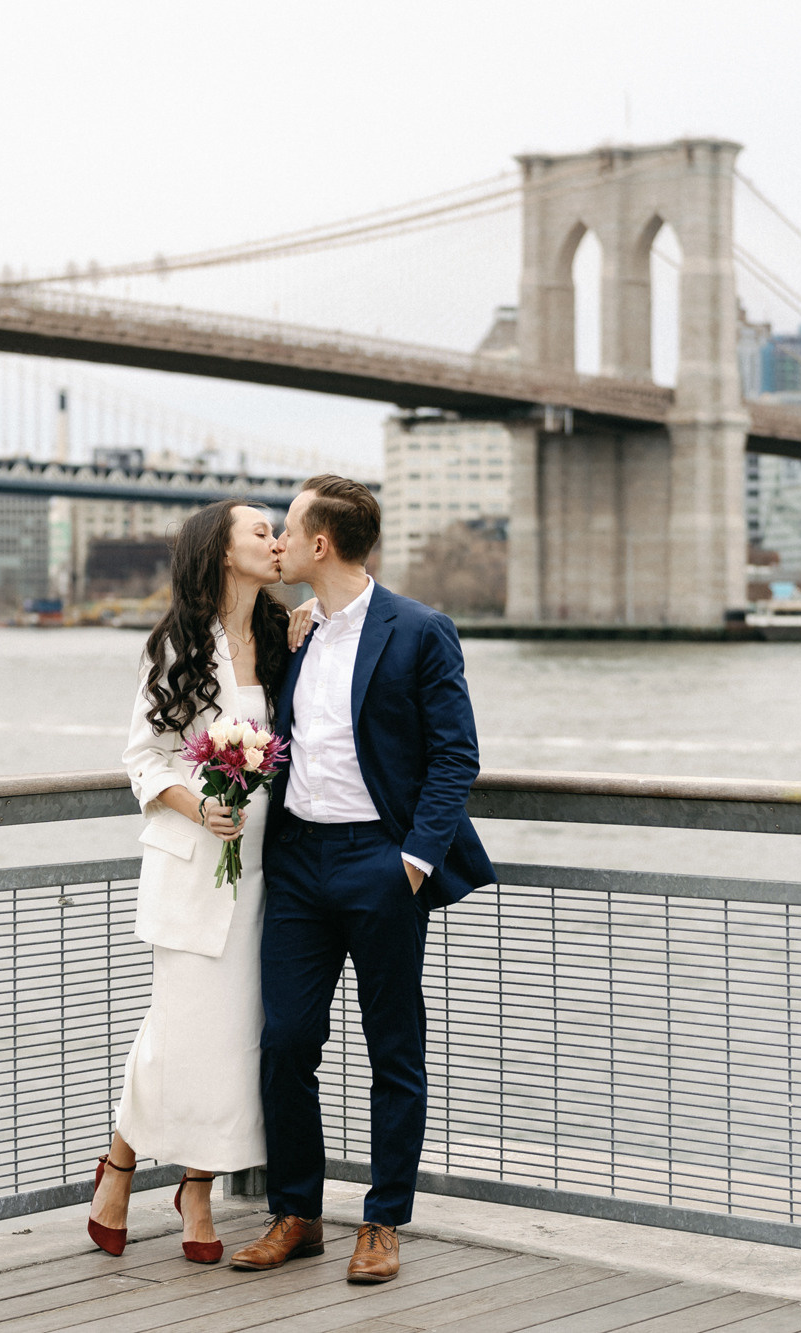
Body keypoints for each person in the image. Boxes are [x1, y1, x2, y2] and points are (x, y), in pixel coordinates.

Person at [229, 475, 493, 1284]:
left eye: (290, 529)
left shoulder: (421, 630)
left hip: (382, 863)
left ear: (320, 544)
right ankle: (297, 1213)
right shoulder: (292, 631)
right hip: (300, 865)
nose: (278, 542)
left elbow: (456, 755)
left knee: (393, 1047)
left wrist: (413, 861)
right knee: (284, 1042)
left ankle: (382, 1221)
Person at [88, 498, 293, 1265]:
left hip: (261, 875)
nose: (275, 541)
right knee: (177, 1030)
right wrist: (201, 805)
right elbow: (144, 758)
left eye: (277, 532)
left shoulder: (280, 636)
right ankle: (129, 1168)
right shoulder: (174, 643)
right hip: (190, 863)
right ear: (220, 549)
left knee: (236, 1037)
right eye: (261, 531)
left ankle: (195, 1182)